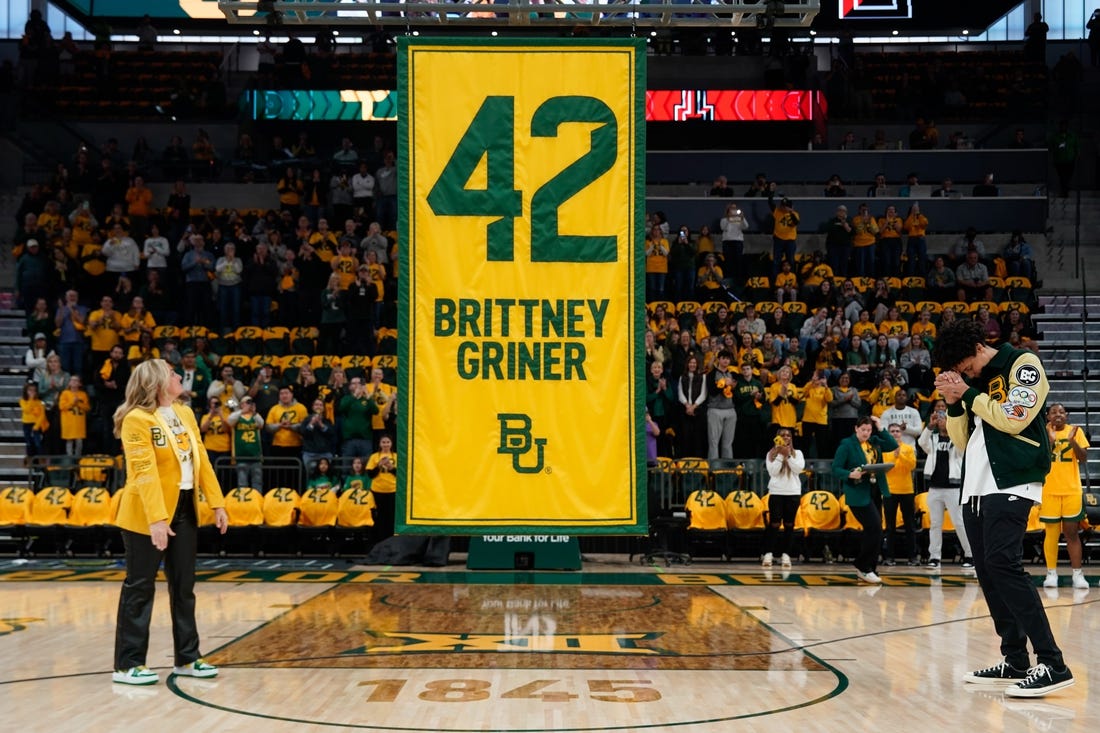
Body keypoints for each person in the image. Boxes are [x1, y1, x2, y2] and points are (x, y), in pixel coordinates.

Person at [933, 318, 1074, 697]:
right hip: (976, 486)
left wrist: (968, 392)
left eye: (966, 368)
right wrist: (954, 404)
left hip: (1013, 480)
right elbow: (963, 440)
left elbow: (1015, 418)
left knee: (1003, 564)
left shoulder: (1022, 364)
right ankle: (1015, 659)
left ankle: (1053, 663)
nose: (966, 375)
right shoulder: (975, 383)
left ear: (978, 348)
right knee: (988, 571)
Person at [112, 359, 229, 685]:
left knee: (184, 587)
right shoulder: (136, 420)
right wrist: (157, 520)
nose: (178, 376)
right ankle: (128, 664)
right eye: (173, 373)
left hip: (185, 508)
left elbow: (201, 460)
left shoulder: (186, 413)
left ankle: (188, 659)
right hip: (146, 515)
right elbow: (144, 472)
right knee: (140, 587)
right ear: (158, 383)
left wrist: (217, 503)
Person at [832, 415, 898, 584]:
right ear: (856, 429)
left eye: (869, 430)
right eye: (863, 430)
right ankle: (863, 565)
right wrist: (849, 474)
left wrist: (881, 427)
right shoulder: (847, 444)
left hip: (875, 489)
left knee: (876, 530)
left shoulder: (875, 441)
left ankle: (870, 567)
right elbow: (836, 468)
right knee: (874, 526)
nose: (866, 433)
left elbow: (892, 445)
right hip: (858, 492)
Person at [1040, 403, 1090, 590]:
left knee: (1071, 534)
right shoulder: (1043, 432)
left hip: (1071, 491)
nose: (1058, 415)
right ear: (1048, 416)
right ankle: (1051, 573)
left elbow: (1083, 457)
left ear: (1066, 415)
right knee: (1051, 534)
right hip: (1049, 491)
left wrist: (1072, 441)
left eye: (1061, 412)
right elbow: (1039, 458)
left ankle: (1077, 574)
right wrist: (1050, 442)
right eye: (1053, 412)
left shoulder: (1075, 431)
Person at [918, 401, 972, 570]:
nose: (942, 420)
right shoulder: (932, 439)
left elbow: (963, 452)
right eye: (940, 418)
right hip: (934, 487)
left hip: (953, 487)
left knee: (959, 522)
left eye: (945, 418)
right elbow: (921, 443)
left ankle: (970, 555)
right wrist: (929, 426)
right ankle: (935, 557)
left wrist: (953, 431)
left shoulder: (958, 440)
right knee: (935, 523)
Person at [761, 427, 805, 569]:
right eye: (782, 435)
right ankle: (768, 553)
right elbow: (773, 471)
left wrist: (789, 456)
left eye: (788, 435)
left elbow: (798, 469)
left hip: (793, 493)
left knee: (789, 525)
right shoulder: (770, 454)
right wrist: (780, 455)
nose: (786, 437)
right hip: (776, 492)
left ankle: (786, 555)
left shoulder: (798, 453)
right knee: (774, 524)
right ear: (777, 438)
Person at [882, 423, 919, 567]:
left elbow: (912, 465)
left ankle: (912, 557)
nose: (895, 434)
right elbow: (885, 468)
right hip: (890, 490)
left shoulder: (908, 449)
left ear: (901, 433)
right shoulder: (884, 449)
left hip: (907, 490)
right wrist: (894, 457)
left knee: (910, 525)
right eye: (892, 431)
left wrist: (900, 455)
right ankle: (889, 557)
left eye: (897, 431)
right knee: (890, 526)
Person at [366, 434, 397, 540]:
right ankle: (379, 538)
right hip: (377, 490)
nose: (386, 444)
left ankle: (391, 538)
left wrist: (391, 468)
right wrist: (378, 465)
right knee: (380, 516)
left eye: (388, 442)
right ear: (379, 444)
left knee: (391, 516)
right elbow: (370, 474)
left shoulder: (396, 456)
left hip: (392, 490)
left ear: (391, 443)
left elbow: (401, 474)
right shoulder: (374, 456)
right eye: (383, 442)